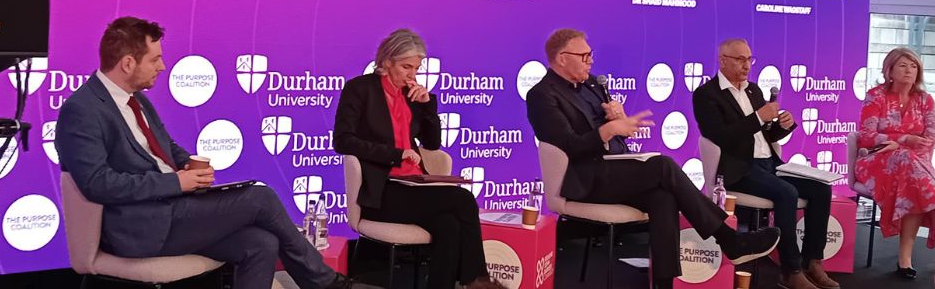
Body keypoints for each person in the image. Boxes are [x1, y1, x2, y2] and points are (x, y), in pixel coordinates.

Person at [55, 16, 350, 289]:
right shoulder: (82, 110)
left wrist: (189, 166)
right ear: (128, 63)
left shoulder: (138, 102)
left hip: (172, 211)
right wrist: (176, 183)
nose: (162, 66)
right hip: (139, 228)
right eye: (155, 59)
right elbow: (97, 183)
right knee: (261, 197)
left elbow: (166, 148)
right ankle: (325, 283)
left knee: (260, 243)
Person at [525, 28, 781, 289]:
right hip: (583, 179)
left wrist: (618, 119)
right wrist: (609, 129)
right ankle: (729, 239)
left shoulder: (592, 84)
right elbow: (568, 145)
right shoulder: (542, 95)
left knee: (663, 197)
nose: (590, 60)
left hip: (615, 168)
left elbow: (613, 133)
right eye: (584, 55)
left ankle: (662, 283)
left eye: (591, 54)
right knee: (662, 165)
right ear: (561, 58)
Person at [333, 29, 502, 289]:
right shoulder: (360, 89)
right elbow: (343, 141)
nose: (412, 74)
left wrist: (427, 105)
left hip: (414, 185)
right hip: (381, 192)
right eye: (406, 67)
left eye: (416, 68)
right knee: (463, 199)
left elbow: (433, 144)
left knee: (448, 225)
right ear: (387, 61)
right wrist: (395, 154)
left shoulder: (411, 95)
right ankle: (476, 282)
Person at [692, 38, 837, 289]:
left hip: (769, 163)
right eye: (740, 59)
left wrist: (784, 126)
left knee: (821, 189)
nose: (746, 65)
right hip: (738, 168)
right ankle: (790, 270)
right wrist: (759, 116)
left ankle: (813, 261)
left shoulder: (754, 90)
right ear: (723, 60)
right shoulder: (706, 95)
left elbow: (766, 134)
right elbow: (721, 137)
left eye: (749, 59)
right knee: (786, 193)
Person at [855, 47, 935, 280]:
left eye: (914, 66)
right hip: (874, 161)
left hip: (914, 164)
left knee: (910, 175)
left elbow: (930, 139)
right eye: (903, 65)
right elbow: (866, 136)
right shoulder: (875, 95)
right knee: (908, 166)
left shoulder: (925, 100)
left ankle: (905, 261)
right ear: (889, 70)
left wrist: (902, 146)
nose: (909, 70)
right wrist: (903, 140)